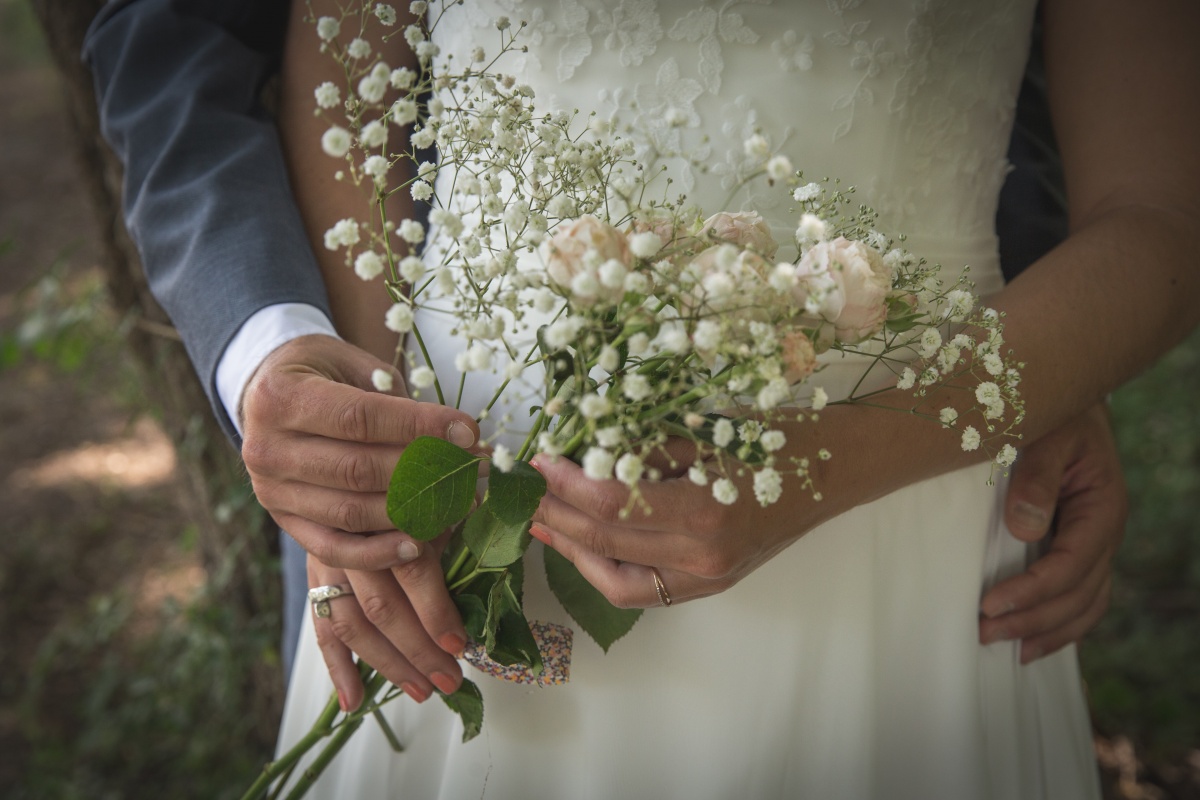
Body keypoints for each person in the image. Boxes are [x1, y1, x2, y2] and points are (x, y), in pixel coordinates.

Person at [80, 0, 1140, 793]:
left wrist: (1035, 363)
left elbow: (1149, 207)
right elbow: (345, 47)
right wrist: (361, 464)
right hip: (461, 481)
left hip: (907, 508)